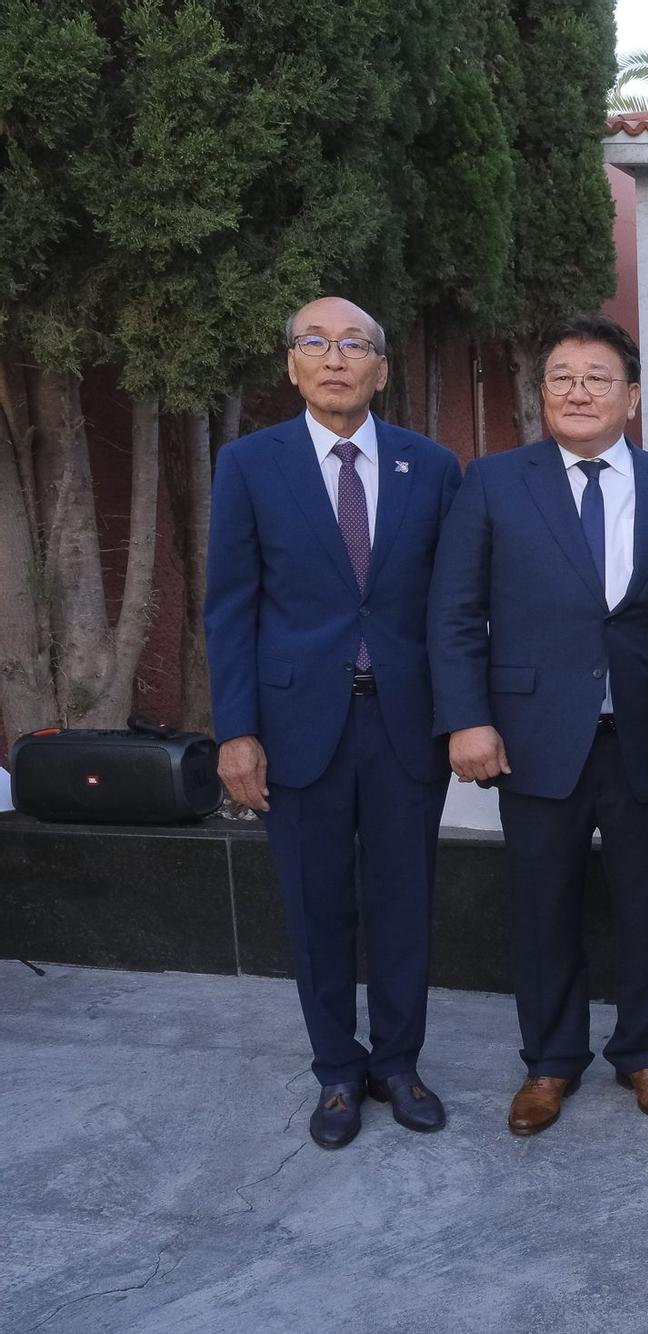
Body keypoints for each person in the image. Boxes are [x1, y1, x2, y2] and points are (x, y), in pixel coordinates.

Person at [429, 314, 648, 1136]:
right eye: (562, 378)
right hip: (532, 733)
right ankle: (550, 1062)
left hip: (646, 735)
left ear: (633, 398)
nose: (578, 392)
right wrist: (466, 719)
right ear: (543, 392)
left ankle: (645, 1052)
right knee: (541, 904)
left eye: (597, 379)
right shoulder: (493, 482)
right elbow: (454, 612)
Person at [205, 297, 462, 1149]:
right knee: (314, 908)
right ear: (292, 366)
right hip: (296, 725)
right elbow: (230, 607)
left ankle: (398, 1062)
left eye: (354, 344)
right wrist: (237, 730)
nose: (335, 358)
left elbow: (452, 606)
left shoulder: (432, 466)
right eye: (314, 343)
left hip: (405, 722)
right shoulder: (250, 464)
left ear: (380, 369)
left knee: (404, 901)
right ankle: (337, 1073)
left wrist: (463, 714)